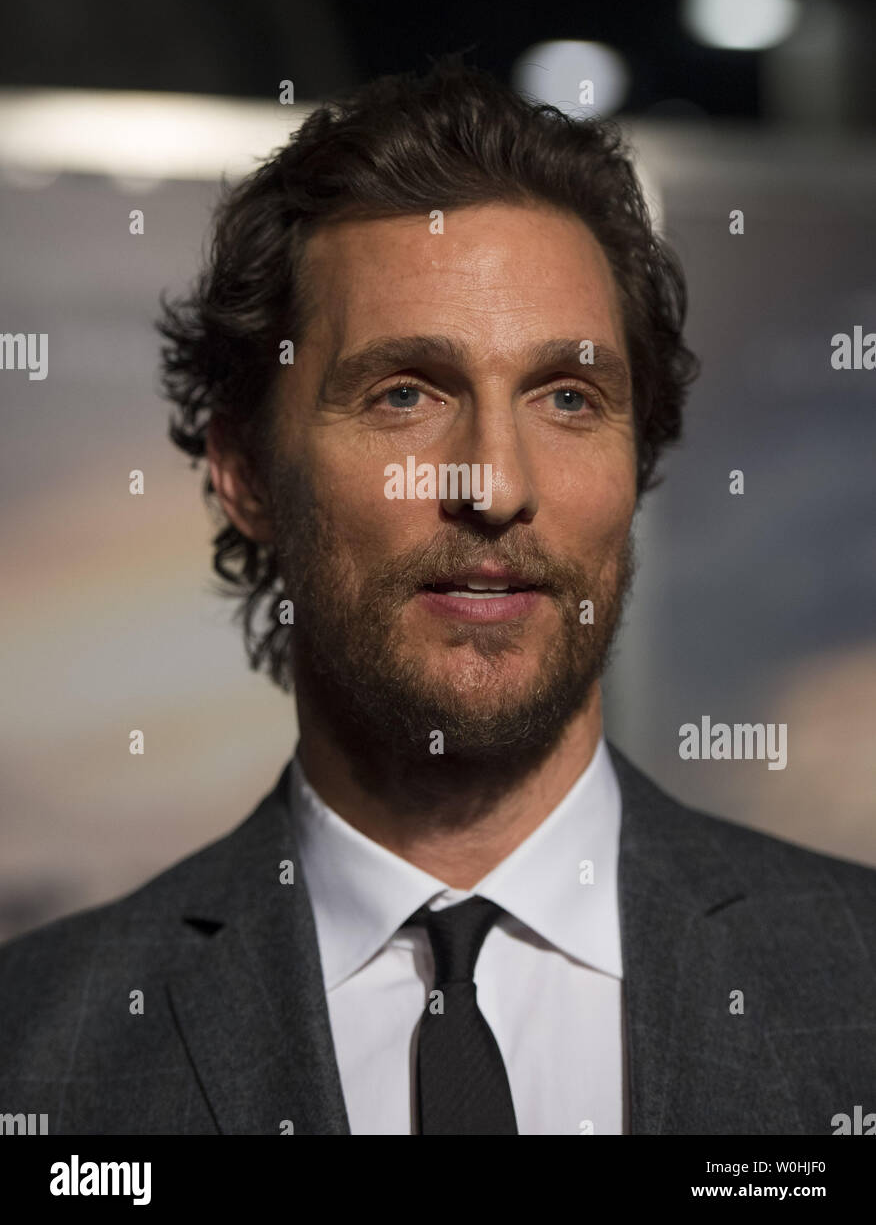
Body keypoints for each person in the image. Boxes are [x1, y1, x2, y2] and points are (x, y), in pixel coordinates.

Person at [1, 56, 874, 1136]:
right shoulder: (38, 1057)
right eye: (405, 393)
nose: (496, 486)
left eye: (567, 396)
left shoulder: (855, 993)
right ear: (246, 473)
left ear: (638, 454)